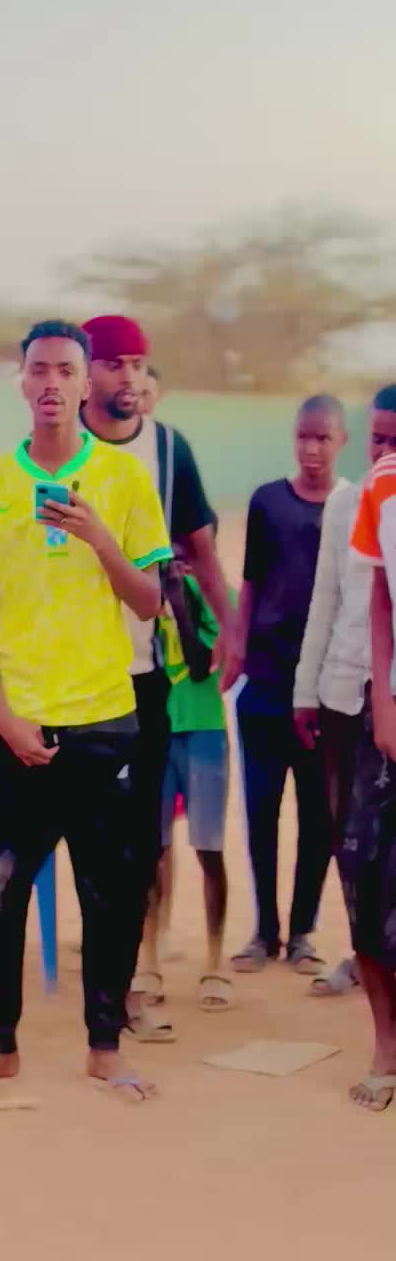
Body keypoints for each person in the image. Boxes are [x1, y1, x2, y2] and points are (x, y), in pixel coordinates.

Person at [0, 319, 171, 1102]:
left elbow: (150, 602)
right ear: (22, 380)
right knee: (0, 889)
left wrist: (101, 538)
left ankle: (105, 1048)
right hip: (11, 726)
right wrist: (4, 716)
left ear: (85, 382)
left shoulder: (125, 479)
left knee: (110, 895)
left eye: (66, 370)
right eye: (38, 369)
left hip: (104, 722)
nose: (50, 384)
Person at [80, 315, 233, 1019]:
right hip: (74, 675)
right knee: (79, 836)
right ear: (87, 372)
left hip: (148, 677)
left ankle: (128, 984)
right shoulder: (61, 450)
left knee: (143, 841)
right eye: (115, 363)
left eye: (138, 364)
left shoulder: (169, 451)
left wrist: (229, 629)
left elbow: (202, 550)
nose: (130, 377)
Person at [228, 396, 348, 974]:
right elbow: (250, 584)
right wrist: (238, 648)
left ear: (342, 442)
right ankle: (265, 931)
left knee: (319, 817)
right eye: (304, 436)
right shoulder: (267, 502)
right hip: (266, 684)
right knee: (260, 810)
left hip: (324, 691)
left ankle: (303, 932)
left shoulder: (351, 508)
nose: (311, 448)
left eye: (323, 438)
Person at [292, 388, 396, 996]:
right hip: (341, 696)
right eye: (378, 439)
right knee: (349, 842)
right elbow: (325, 599)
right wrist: (306, 692)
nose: (385, 452)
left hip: (392, 703)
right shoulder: (346, 502)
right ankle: (365, 954)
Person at [341, 397, 396, 1111]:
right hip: (389, 714)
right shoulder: (383, 484)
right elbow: (381, 595)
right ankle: (386, 1044)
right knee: (364, 875)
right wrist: (383, 700)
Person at [151, 536, 232, 1014]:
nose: (176, 566)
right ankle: (148, 959)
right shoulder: (147, 598)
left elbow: (202, 665)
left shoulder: (216, 600)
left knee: (208, 848)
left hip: (203, 730)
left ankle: (214, 961)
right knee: (152, 848)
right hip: (159, 730)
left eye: (184, 557)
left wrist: (180, 601)